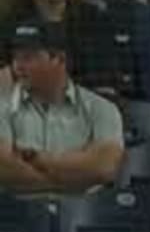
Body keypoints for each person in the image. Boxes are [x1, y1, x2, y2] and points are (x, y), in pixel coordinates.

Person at [0, 19, 121, 194]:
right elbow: (6, 170)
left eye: (28, 58)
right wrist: (70, 179)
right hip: (19, 216)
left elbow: (104, 167)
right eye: (15, 57)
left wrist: (37, 160)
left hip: (84, 215)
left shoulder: (101, 109)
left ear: (59, 59)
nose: (17, 66)